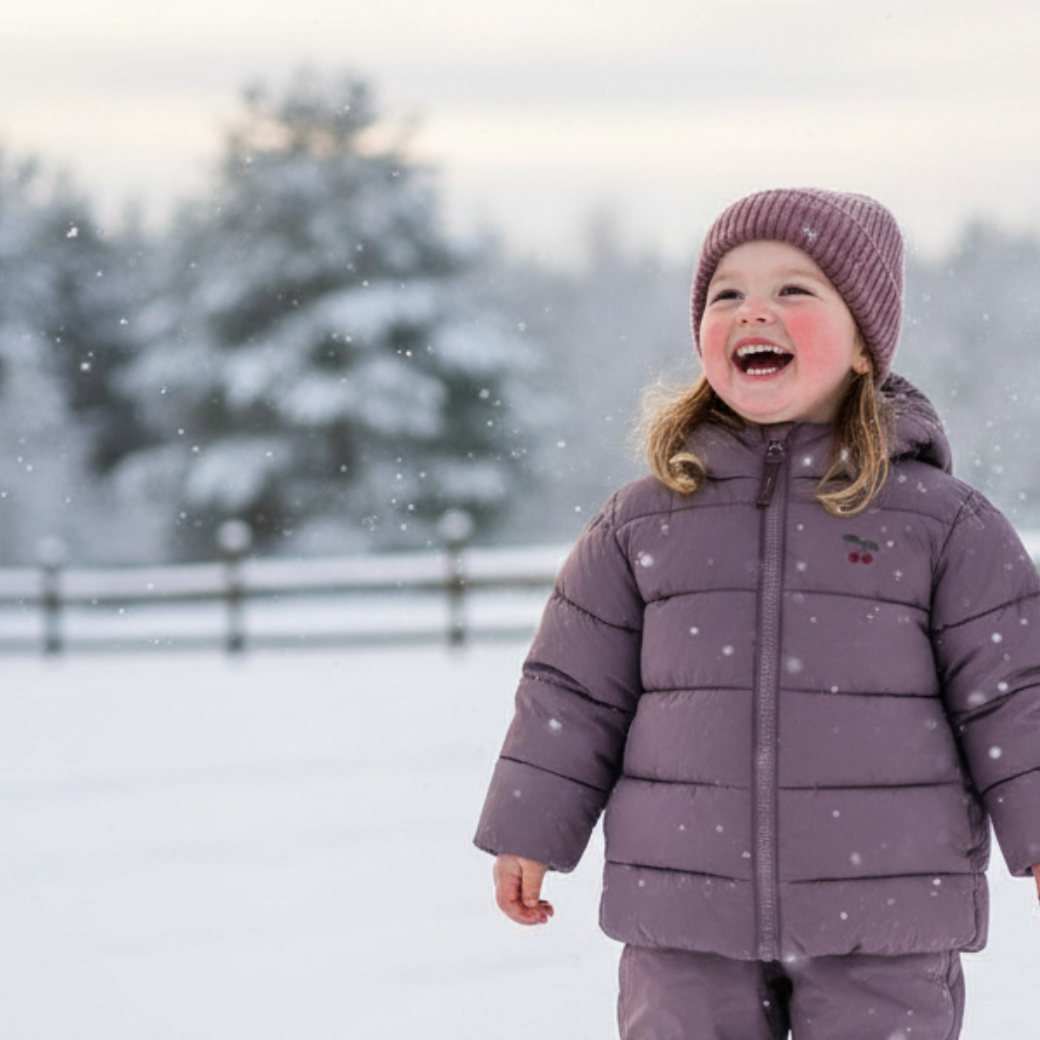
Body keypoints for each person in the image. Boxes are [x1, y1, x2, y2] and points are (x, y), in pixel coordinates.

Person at [473, 187, 1040, 1040]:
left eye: (794, 291)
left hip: (881, 913)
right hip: (684, 914)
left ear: (862, 348)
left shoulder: (940, 522)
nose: (753, 311)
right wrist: (530, 828)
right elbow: (571, 691)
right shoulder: (643, 521)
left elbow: (1013, 690)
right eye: (727, 294)